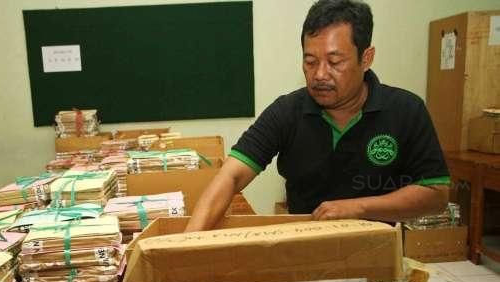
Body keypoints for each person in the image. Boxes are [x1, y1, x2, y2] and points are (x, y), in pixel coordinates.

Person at [185, 0, 449, 232]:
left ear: (366, 58)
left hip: (375, 252)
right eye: (310, 62)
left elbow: (436, 194)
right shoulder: (287, 112)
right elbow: (230, 176)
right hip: (303, 249)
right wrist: (184, 243)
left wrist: (357, 208)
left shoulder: (406, 110)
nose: (320, 74)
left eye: (335, 62)